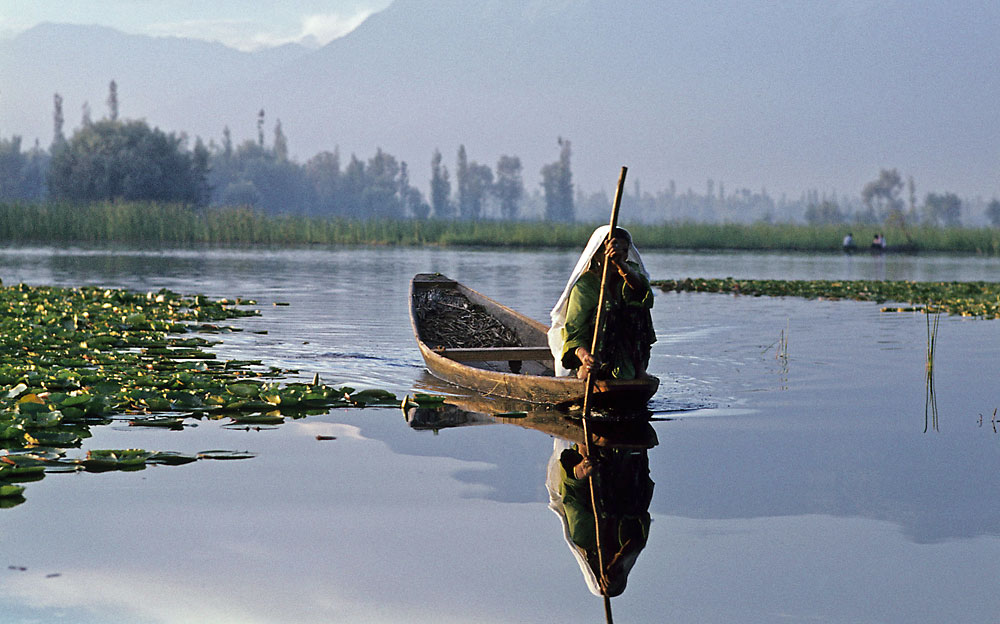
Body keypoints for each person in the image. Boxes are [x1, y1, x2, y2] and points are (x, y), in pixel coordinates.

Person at [547, 226, 655, 380]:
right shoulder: (585, 286)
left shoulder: (630, 273)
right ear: (597, 255)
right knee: (606, 312)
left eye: (624, 251)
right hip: (596, 350)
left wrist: (621, 265)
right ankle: (586, 368)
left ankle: (638, 369)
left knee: (637, 307)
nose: (619, 255)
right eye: (611, 252)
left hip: (628, 352)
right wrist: (585, 357)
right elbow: (575, 333)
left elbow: (641, 292)